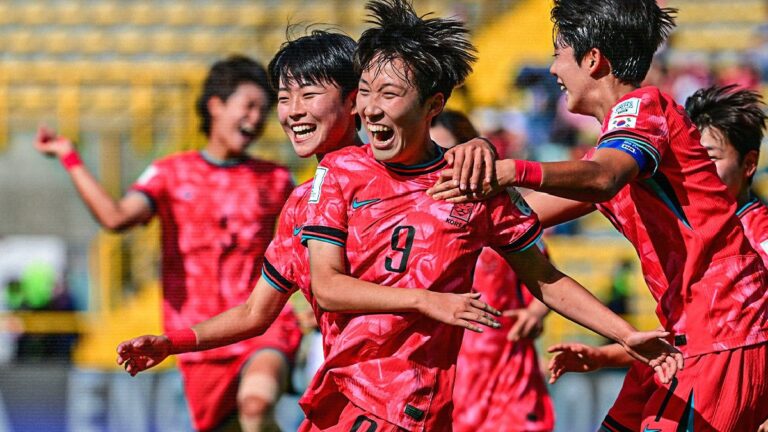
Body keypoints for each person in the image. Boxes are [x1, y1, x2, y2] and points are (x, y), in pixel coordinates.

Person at [300, 1, 680, 430]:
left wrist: (624, 333)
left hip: (411, 401)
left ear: (433, 105)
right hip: (338, 397)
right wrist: (426, 301)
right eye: (365, 91)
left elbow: (546, 279)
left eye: (388, 94)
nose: (370, 108)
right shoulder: (337, 171)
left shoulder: (474, 186)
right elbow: (327, 286)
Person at [115, 30, 504, 430]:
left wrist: (478, 147)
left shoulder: (402, 172)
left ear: (355, 101)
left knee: (254, 405)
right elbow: (255, 311)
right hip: (342, 399)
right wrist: (169, 342)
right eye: (284, 98)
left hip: (407, 402)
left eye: (309, 95)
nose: (293, 111)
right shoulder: (305, 200)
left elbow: (492, 200)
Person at [429, 0, 768, 427]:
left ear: (593, 60)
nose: (553, 71)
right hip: (678, 344)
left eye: (558, 54)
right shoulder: (611, 152)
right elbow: (521, 218)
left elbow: (602, 178)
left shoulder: (646, 109)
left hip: (719, 336)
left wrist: (512, 169)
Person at [36, 55, 303, 432]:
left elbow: (308, 245)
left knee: (256, 403)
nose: (257, 118)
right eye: (249, 106)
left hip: (260, 326)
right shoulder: (170, 173)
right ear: (216, 105)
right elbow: (115, 218)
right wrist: (70, 157)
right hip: (196, 340)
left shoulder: (276, 179)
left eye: (264, 109)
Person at [547, 84, 768, 432]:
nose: (701, 170)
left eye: (711, 158)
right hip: (667, 363)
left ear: (749, 164)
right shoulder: (661, 200)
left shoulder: (758, 234)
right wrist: (605, 355)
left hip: (717, 372)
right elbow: (681, 333)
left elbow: (746, 332)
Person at [431, 110, 554, 431]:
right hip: (450, 372)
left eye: (446, 153)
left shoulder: (502, 212)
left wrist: (535, 315)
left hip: (507, 370)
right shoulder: (419, 220)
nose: (438, 165)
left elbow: (547, 276)